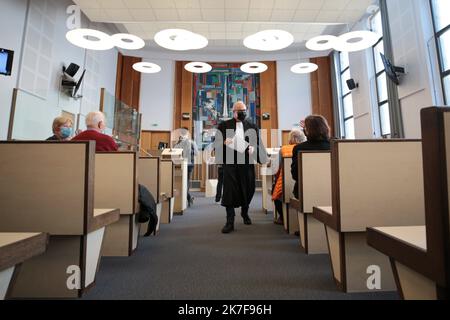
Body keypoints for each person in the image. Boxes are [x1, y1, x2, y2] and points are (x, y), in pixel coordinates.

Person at [215, 101, 268, 234]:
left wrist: (252, 148)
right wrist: (224, 142)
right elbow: (216, 144)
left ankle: (245, 212)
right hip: (230, 162)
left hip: (246, 162)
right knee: (229, 190)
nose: (243, 112)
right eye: (240, 110)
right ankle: (230, 221)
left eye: (244, 110)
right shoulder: (224, 125)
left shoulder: (252, 126)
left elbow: (258, 144)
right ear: (233, 111)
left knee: (248, 188)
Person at [291, 115, 331, 198]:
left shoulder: (299, 148)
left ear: (307, 131)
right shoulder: (335, 146)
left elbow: (295, 175)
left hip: (304, 192)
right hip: (332, 191)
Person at [272, 129, 306, 225]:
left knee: (275, 191)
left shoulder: (283, 149)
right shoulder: (306, 148)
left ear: (290, 139)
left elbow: (276, 169)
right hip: (303, 182)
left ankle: (282, 217)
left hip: (286, 182)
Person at [174, 127, 198, 206]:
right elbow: (196, 153)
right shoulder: (191, 142)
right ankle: (188, 198)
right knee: (185, 182)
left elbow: (174, 152)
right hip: (186, 164)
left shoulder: (179, 142)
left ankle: (187, 198)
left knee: (183, 182)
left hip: (185, 164)